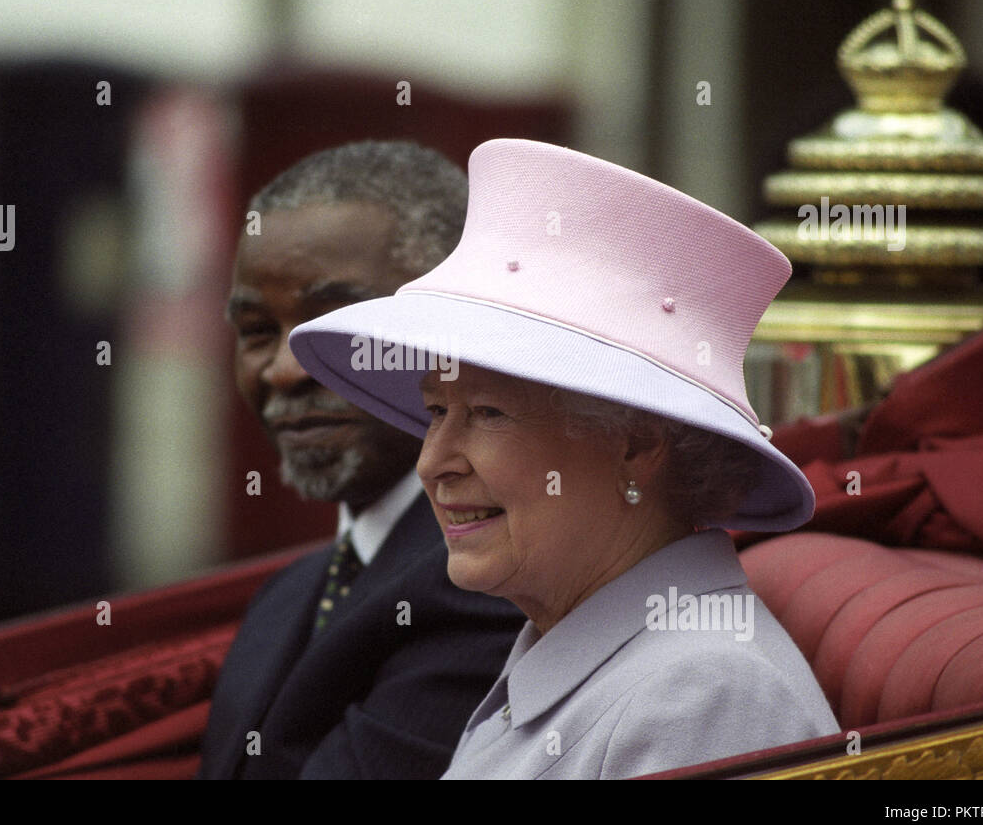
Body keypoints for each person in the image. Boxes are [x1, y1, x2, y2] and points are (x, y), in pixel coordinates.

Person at [290, 138, 841, 779]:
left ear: (634, 445)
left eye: (489, 414)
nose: (432, 462)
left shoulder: (703, 696)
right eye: (437, 412)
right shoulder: (575, 646)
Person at [198, 140, 526, 779]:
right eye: (259, 332)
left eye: (337, 324)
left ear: (456, 325)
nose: (286, 369)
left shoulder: (493, 583)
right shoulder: (288, 594)